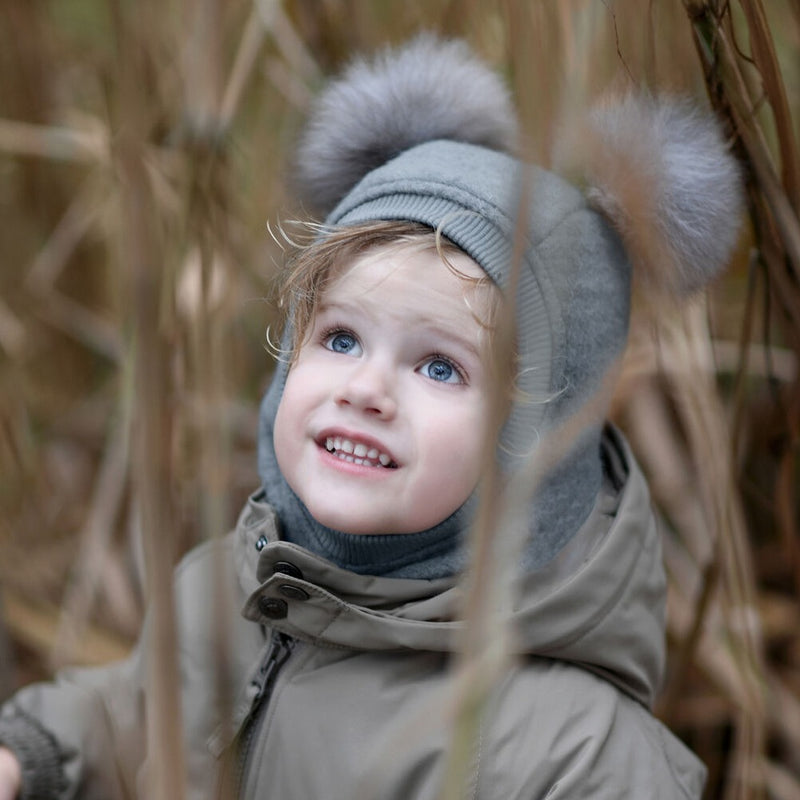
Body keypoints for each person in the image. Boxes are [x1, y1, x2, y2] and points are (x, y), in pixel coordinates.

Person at [0, 34, 743, 799]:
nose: (366, 389)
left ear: (540, 444)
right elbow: (131, 714)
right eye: (341, 338)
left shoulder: (574, 753)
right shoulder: (226, 593)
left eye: (440, 367)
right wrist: (33, 754)